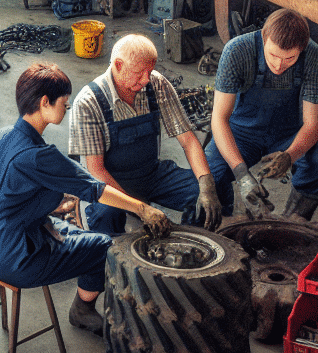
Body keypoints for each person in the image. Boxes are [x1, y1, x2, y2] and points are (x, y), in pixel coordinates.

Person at [0, 62, 171, 336]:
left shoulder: (3, 136)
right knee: (104, 245)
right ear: (45, 102)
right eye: (63, 103)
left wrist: (31, 211)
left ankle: (80, 296)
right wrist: (144, 209)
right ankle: (82, 309)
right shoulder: (38, 155)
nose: (66, 109)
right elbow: (94, 188)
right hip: (12, 261)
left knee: (76, 233)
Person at [68, 34, 221, 237]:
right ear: (118, 65)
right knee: (107, 214)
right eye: (139, 73)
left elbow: (189, 140)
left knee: (203, 196)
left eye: (150, 71)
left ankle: (191, 246)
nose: (146, 79)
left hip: (151, 174)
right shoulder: (89, 102)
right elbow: (96, 170)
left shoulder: (155, 84)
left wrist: (206, 183)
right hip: (111, 182)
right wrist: (141, 209)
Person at [205, 8, 318, 220]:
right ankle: (225, 227)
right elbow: (219, 119)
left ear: (302, 48)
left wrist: (290, 155)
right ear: (264, 37)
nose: (279, 65)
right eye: (273, 55)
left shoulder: (314, 56)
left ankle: (291, 223)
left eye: (290, 58)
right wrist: (241, 175)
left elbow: (313, 125)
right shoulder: (236, 51)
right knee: (210, 175)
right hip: (242, 132)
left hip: (287, 134)